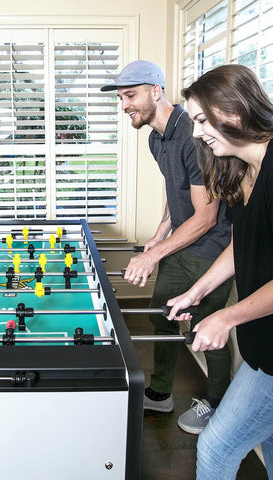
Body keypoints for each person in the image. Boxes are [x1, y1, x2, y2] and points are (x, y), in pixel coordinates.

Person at [101, 60, 233, 434]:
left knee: (205, 329)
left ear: (156, 90)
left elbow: (206, 216)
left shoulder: (193, 135)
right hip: (181, 243)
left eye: (130, 95)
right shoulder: (155, 139)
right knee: (163, 317)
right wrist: (160, 234)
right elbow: (176, 190)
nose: (124, 105)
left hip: (212, 249)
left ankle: (218, 405)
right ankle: (160, 394)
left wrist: (153, 255)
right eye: (121, 98)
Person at [167, 64, 273, 478]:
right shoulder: (243, 170)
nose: (196, 133)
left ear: (233, 110)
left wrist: (226, 316)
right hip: (261, 340)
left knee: (216, 448)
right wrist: (197, 291)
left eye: (201, 120)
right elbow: (241, 245)